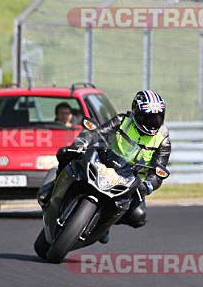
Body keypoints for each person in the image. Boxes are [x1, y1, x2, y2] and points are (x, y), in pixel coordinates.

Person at [39, 90, 171, 243]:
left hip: (131, 179)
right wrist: (83, 141)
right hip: (105, 162)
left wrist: (148, 185)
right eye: (146, 117)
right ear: (136, 113)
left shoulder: (163, 140)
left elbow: (159, 170)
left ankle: (103, 226)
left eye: (156, 118)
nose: (151, 122)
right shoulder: (123, 120)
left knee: (138, 215)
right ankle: (51, 188)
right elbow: (98, 132)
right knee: (68, 152)